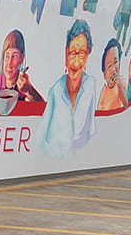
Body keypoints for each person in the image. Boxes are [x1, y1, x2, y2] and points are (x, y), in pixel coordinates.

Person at [37, 19, 98, 157]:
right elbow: (41, 138)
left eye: (81, 54)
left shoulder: (90, 86)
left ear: (88, 54)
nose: (76, 62)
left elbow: (91, 131)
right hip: (52, 160)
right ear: (66, 54)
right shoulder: (55, 91)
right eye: (73, 54)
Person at [97, 38, 128, 112]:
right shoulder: (104, 91)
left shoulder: (121, 83)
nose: (113, 69)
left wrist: (119, 85)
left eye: (116, 62)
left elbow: (126, 104)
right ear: (104, 75)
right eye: (109, 66)